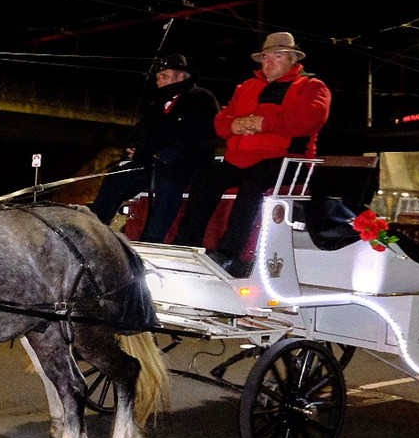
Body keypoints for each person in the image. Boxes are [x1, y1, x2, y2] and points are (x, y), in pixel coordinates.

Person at [174, 31, 331, 275]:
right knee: (205, 179)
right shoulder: (246, 87)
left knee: (253, 184)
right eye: (266, 57)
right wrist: (234, 125)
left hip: (286, 160)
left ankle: (229, 255)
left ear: (292, 59)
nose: (269, 62)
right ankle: (185, 247)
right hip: (239, 159)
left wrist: (262, 122)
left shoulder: (311, 86)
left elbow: (309, 119)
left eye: (276, 56)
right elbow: (221, 121)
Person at [88, 54, 219, 242]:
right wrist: (134, 146)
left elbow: (206, 134)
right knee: (116, 176)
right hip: (153, 163)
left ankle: (152, 237)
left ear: (181, 76)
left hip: (187, 162)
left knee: (168, 185)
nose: (159, 81)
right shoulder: (156, 105)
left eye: (164, 76)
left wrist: (174, 152)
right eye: (157, 77)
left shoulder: (201, 98)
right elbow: (141, 131)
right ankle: (96, 227)